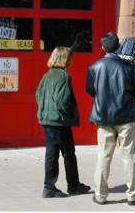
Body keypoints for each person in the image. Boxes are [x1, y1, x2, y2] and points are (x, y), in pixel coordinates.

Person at [86, 32, 135, 205]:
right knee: (129, 156)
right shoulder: (128, 66)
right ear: (118, 46)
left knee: (104, 156)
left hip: (104, 117)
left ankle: (100, 195)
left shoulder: (94, 67)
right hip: (126, 115)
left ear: (103, 47)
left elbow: (91, 91)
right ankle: (133, 195)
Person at [36, 47, 90, 198]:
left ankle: (49, 186)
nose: (72, 60)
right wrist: (69, 112)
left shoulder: (47, 75)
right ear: (65, 59)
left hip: (47, 120)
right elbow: (63, 101)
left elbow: (37, 94)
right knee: (68, 154)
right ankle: (72, 185)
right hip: (59, 121)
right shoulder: (63, 77)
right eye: (70, 57)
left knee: (52, 154)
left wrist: (45, 110)